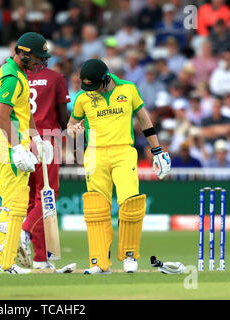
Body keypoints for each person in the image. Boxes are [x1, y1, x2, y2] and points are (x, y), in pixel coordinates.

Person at [67, 59, 171, 274]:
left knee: (131, 203)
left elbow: (145, 122)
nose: (91, 91)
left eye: (94, 86)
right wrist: (73, 131)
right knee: (97, 209)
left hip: (124, 151)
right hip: (95, 155)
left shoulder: (129, 89)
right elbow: (70, 125)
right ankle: (99, 262)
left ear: (106, 78)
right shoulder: (83, 97)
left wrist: (157, 151)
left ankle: (130, 255)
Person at [0, 32, 53, 274]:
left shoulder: (18, 75)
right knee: (13, 205)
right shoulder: (12, 78)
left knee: (13, 204)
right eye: (38, 57)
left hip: (10, 143)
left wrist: (37, 139)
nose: (41, 63)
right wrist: (16, 146)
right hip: (7, 145)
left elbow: (23, 115)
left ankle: (4, 262)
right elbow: (2, 116)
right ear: (24, 53)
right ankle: (4, 264)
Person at [17, 52, 70, 270]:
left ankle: (40, 258)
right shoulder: (56, 78)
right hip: (49, 140)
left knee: (32, 199)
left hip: (22, 140)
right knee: (49, 195)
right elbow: (63, 116)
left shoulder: (19, 77)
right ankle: (25, 231)